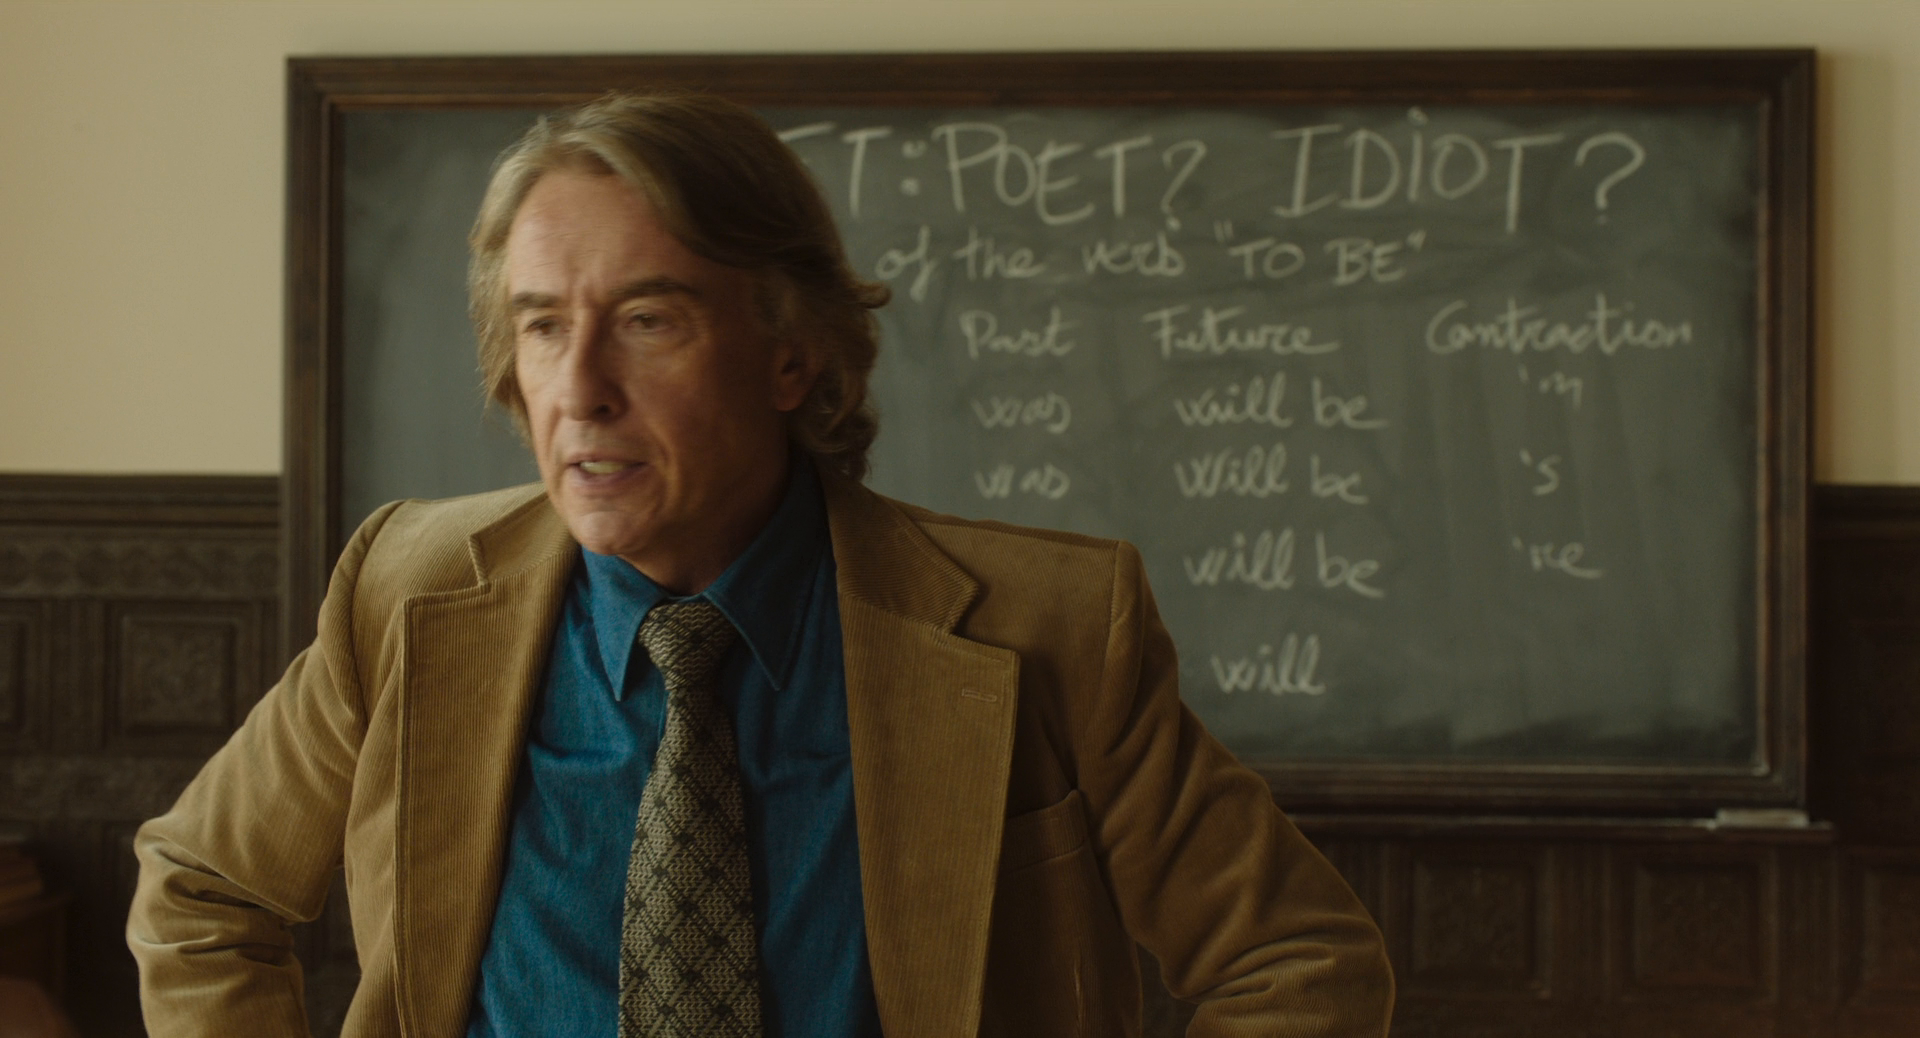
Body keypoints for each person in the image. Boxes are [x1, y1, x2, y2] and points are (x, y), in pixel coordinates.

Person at [127, 92, 1393, 1037]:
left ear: (791, 354)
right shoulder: (406, 593)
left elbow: (1299, 962)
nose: (581, 389)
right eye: (544, 327)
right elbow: (200, 889)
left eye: (646, 321)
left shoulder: (1046, 628)